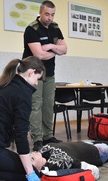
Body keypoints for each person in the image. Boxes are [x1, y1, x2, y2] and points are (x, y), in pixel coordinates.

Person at [22, 1, 67, 151]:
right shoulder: (32, 29)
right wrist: (56, 50)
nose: (49, 17)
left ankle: (48, 136)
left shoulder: (55, 28)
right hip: (33, 73)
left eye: (52, 14)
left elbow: (65, 49)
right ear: (40, 12)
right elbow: (39, 54)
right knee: (36, 105)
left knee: (48, 105)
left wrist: (51, 46)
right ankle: (37, 139)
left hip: (49, 73)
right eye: (47, 14)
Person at [31, 141, 108, 180]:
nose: (33, 153)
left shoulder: (42, 151)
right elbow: (89, 169)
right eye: (32, 159)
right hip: (95, 152)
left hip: (84, 143)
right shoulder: (56, 164)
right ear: (38, 168)